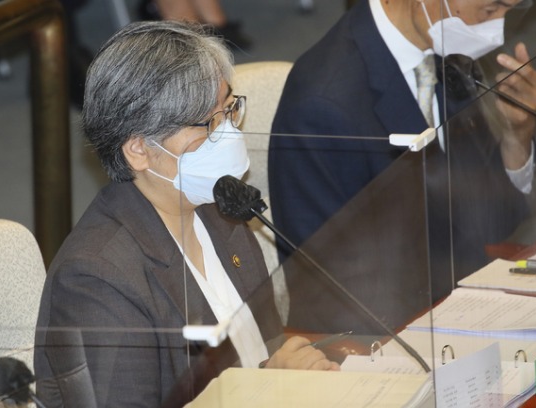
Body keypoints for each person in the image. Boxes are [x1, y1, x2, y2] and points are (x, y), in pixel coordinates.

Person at [34, 21, 338, 407]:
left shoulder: (220, 210)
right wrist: (271, 390)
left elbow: (263, 352)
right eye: (208, 123)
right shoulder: (96, 280)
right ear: (139, 150)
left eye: (229, 109)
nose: (228, 132)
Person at [268, 0, 536, 329]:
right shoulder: (321, 107)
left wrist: (516, 136)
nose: (496, 31)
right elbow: (332, 290)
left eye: (508, 11)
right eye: (490, 10)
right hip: (385, 332)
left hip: (464, 300)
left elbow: (491, 223)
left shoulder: (446, 48)